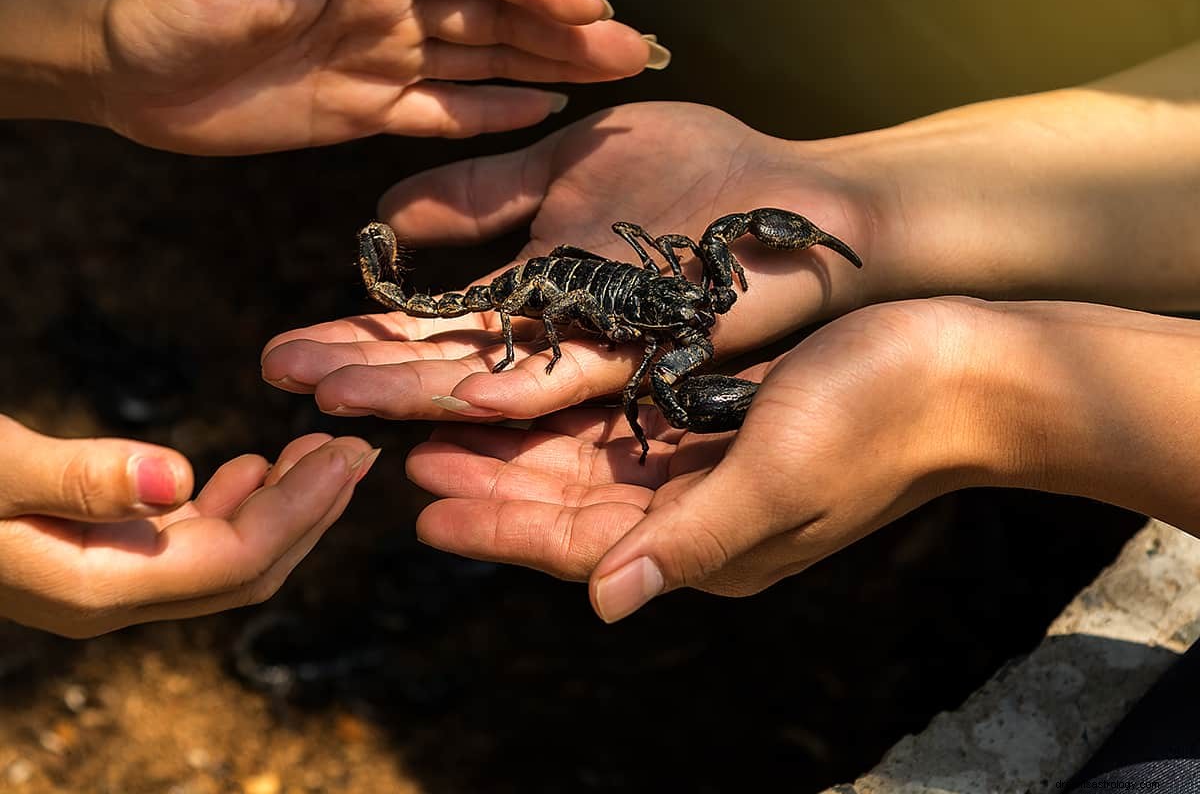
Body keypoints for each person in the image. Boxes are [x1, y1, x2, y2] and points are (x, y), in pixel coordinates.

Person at [263, 39, 1200, 623]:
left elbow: (703, 270)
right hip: (564, 292)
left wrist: (958, 395)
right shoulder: (669, 312)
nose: (717, 306)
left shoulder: (691, 299)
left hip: (623, 287)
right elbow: (656, 367)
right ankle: (506, 332)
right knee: (645, 380)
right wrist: (862, 204)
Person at [0, 0, 666, 637]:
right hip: (542, 290)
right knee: (539, 310)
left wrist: (93, 50)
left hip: (576, 278)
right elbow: (576, 300)